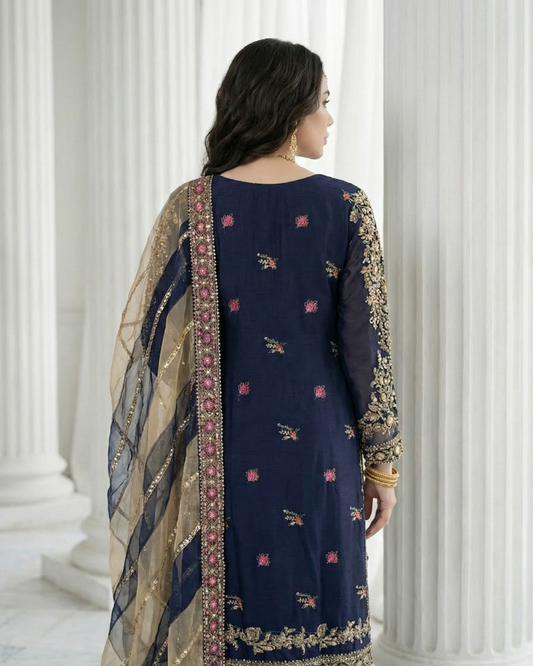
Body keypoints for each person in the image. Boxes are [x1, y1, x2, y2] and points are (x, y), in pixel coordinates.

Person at [101, 38, 403, 666]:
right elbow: (366, 350)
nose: (329, 118)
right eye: (322, 102)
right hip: (321, 447)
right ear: (290, 108)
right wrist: (383, 465)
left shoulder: (192, 206)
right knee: (323, 613)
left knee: (234, 610)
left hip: (222, 450)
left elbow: (156, 356)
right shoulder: (346, 206)